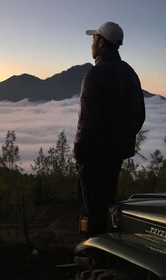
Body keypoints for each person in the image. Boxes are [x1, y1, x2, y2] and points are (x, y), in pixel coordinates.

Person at [74, 22, 145, 236]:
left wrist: (79, 154)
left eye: (94, 38)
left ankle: (92, 256)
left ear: (102, 42)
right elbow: (139, 116)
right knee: (107, 205)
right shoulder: (130, 73)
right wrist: (121, 141)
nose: (92, 43)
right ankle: (108, 250)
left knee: (90, 210)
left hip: (93, 158)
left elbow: (87, 122)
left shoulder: (94, 75)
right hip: (115, 156)